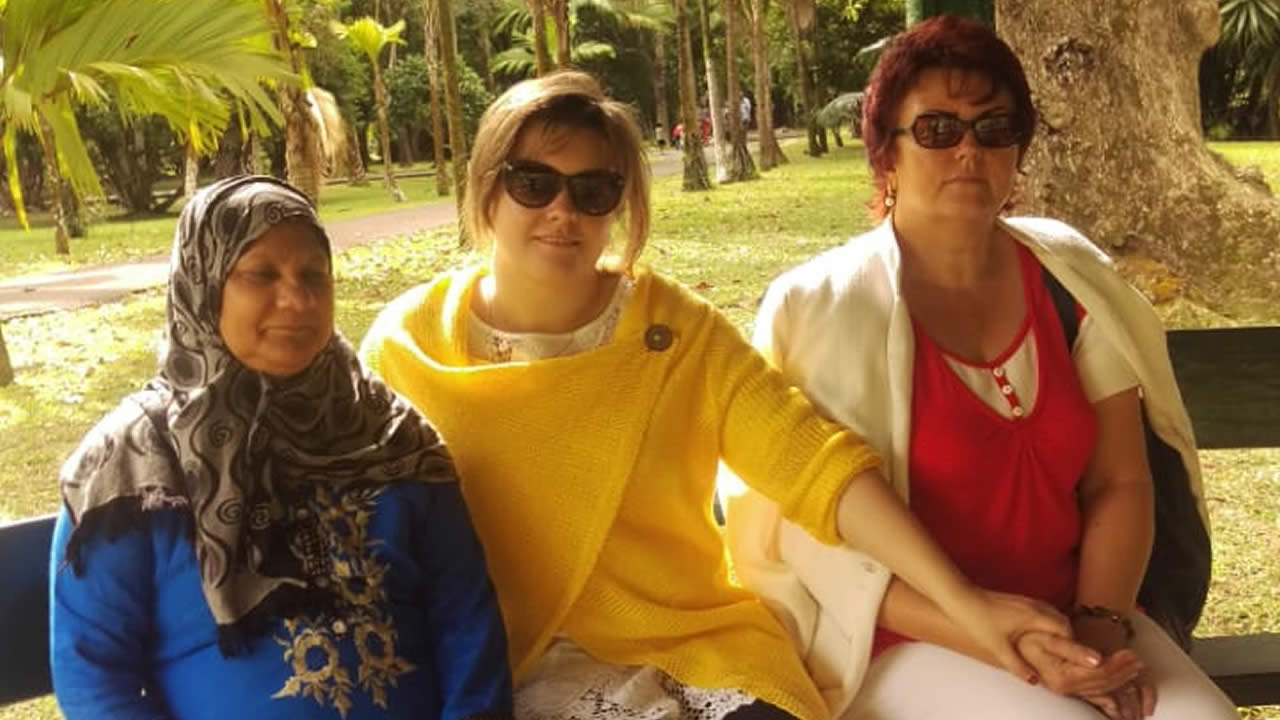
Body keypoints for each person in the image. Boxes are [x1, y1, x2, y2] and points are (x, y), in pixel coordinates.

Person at [359, 69, 1073, 720]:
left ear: (621, 203)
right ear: (487, 188)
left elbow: (815, 466)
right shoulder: (407, 348)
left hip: (691, 644)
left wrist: (966, 604)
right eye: (532, 183)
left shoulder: (672, 332)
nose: (562, 212)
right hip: (503, 667)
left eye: (593, 190)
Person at [724, 15, 1237, 720]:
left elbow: (1121, 480)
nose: (969, 150)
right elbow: (810, 541)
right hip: (902, 628)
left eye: (994, 129)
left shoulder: (1069, 275)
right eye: (937, 129)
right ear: (886, 154)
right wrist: (990, 629)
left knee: (1201, 718)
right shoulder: (820, 307)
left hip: (1074, 609)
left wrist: (1094, 633)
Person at [49, 176, 513, 720]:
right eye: (261, 274)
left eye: (315, 274)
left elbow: (465, 618)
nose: (298, 298)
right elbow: (94, 676)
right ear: (205, 284)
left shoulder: (392, 435)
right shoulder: (134, 463)